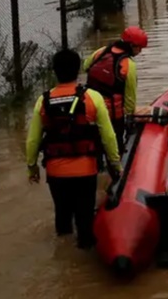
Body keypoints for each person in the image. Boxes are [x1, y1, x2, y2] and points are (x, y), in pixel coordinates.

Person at [26, 48, 122, 250]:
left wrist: (32, 167)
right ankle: (83, 254)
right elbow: (109, 136)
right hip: (85, 171)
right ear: (78, 70)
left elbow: (33, 140)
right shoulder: (93, 98)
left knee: (62, 216)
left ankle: (63, 253)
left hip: (56, 172)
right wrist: (116, 164)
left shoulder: (43, 101)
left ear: (55, 71)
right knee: (85, 219)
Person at [82, 26, 147, 155]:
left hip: (90, 109)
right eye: (139, 48)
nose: (140, 51)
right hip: (113, 115)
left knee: (95, 145)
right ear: (132, 46)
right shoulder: (129, 65)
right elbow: (130, 98)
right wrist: (129, 117)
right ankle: (117, 169)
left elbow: (85, 67)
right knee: (116, 147)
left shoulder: (100, 52)